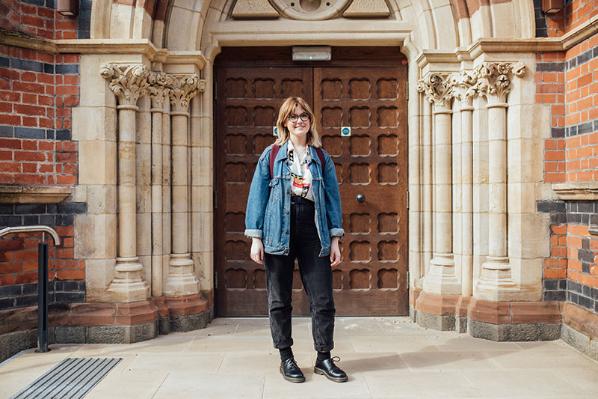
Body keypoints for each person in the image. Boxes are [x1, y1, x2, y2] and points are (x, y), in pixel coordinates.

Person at [244, 97, 348, 383]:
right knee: (279, 299)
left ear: (310, 121)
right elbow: (258, 195)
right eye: (293, 116)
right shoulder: (272, 154)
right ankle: (286, 357)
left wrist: (336, 238)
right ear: (284, 123)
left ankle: (324, 357)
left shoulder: (321, 157)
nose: (299, 120)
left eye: (303, 116)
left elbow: (332, 199)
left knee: (323, 299)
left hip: (314, 227)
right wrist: (256, 237)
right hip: (279, 226)